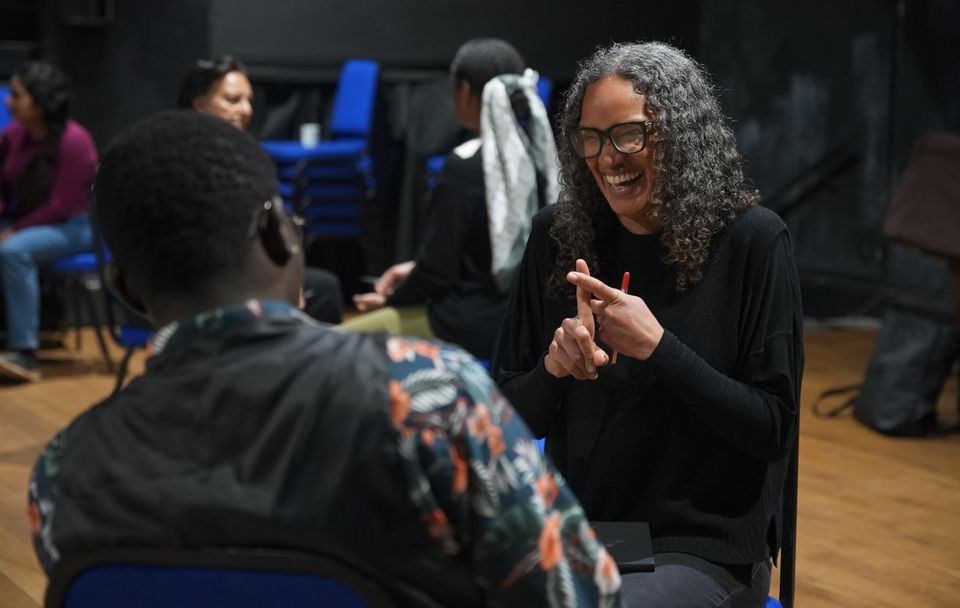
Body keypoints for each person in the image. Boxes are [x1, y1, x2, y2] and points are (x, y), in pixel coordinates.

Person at [26, 111, 622, 607]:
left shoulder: (63, 473)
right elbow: (580, 595)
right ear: (277, 235)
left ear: (126, 291)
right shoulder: (428, 396)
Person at [493, 42, 804, 607]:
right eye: (591, 138)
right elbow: (507, 421)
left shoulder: (752, 242)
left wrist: (660, 347)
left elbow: (772, 428)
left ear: (680, 134)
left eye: (628, 135)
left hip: (701, 546)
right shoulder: (558, 237)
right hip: (587, 533)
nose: (608, 158)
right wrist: (552, 370)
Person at [344, 38, 558, 359]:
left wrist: (390, 299)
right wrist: (414, 269)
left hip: (467, 326)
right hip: (526, 323)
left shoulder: (464, 166)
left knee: (336, 342)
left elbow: (435, 275)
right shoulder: (540, 157)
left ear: (465, 91)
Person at [178, 55, 344, 323]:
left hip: (246, 272)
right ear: (200, 105)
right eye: (233, 100)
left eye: (249, 101)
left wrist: (288, 275)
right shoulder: (179, 161)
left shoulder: (246, 156)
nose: (246, 110)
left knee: (324, 287)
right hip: (202, 279)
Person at [0, 61, 98, 382]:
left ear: (40, 100)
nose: (8, 101)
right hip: (28, 222)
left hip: (73, 227)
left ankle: (25, 353)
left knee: (14, 251)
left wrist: (13, 231)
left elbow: (61, 205)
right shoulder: (12, 137)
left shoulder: (75, 140)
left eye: (17, 95)